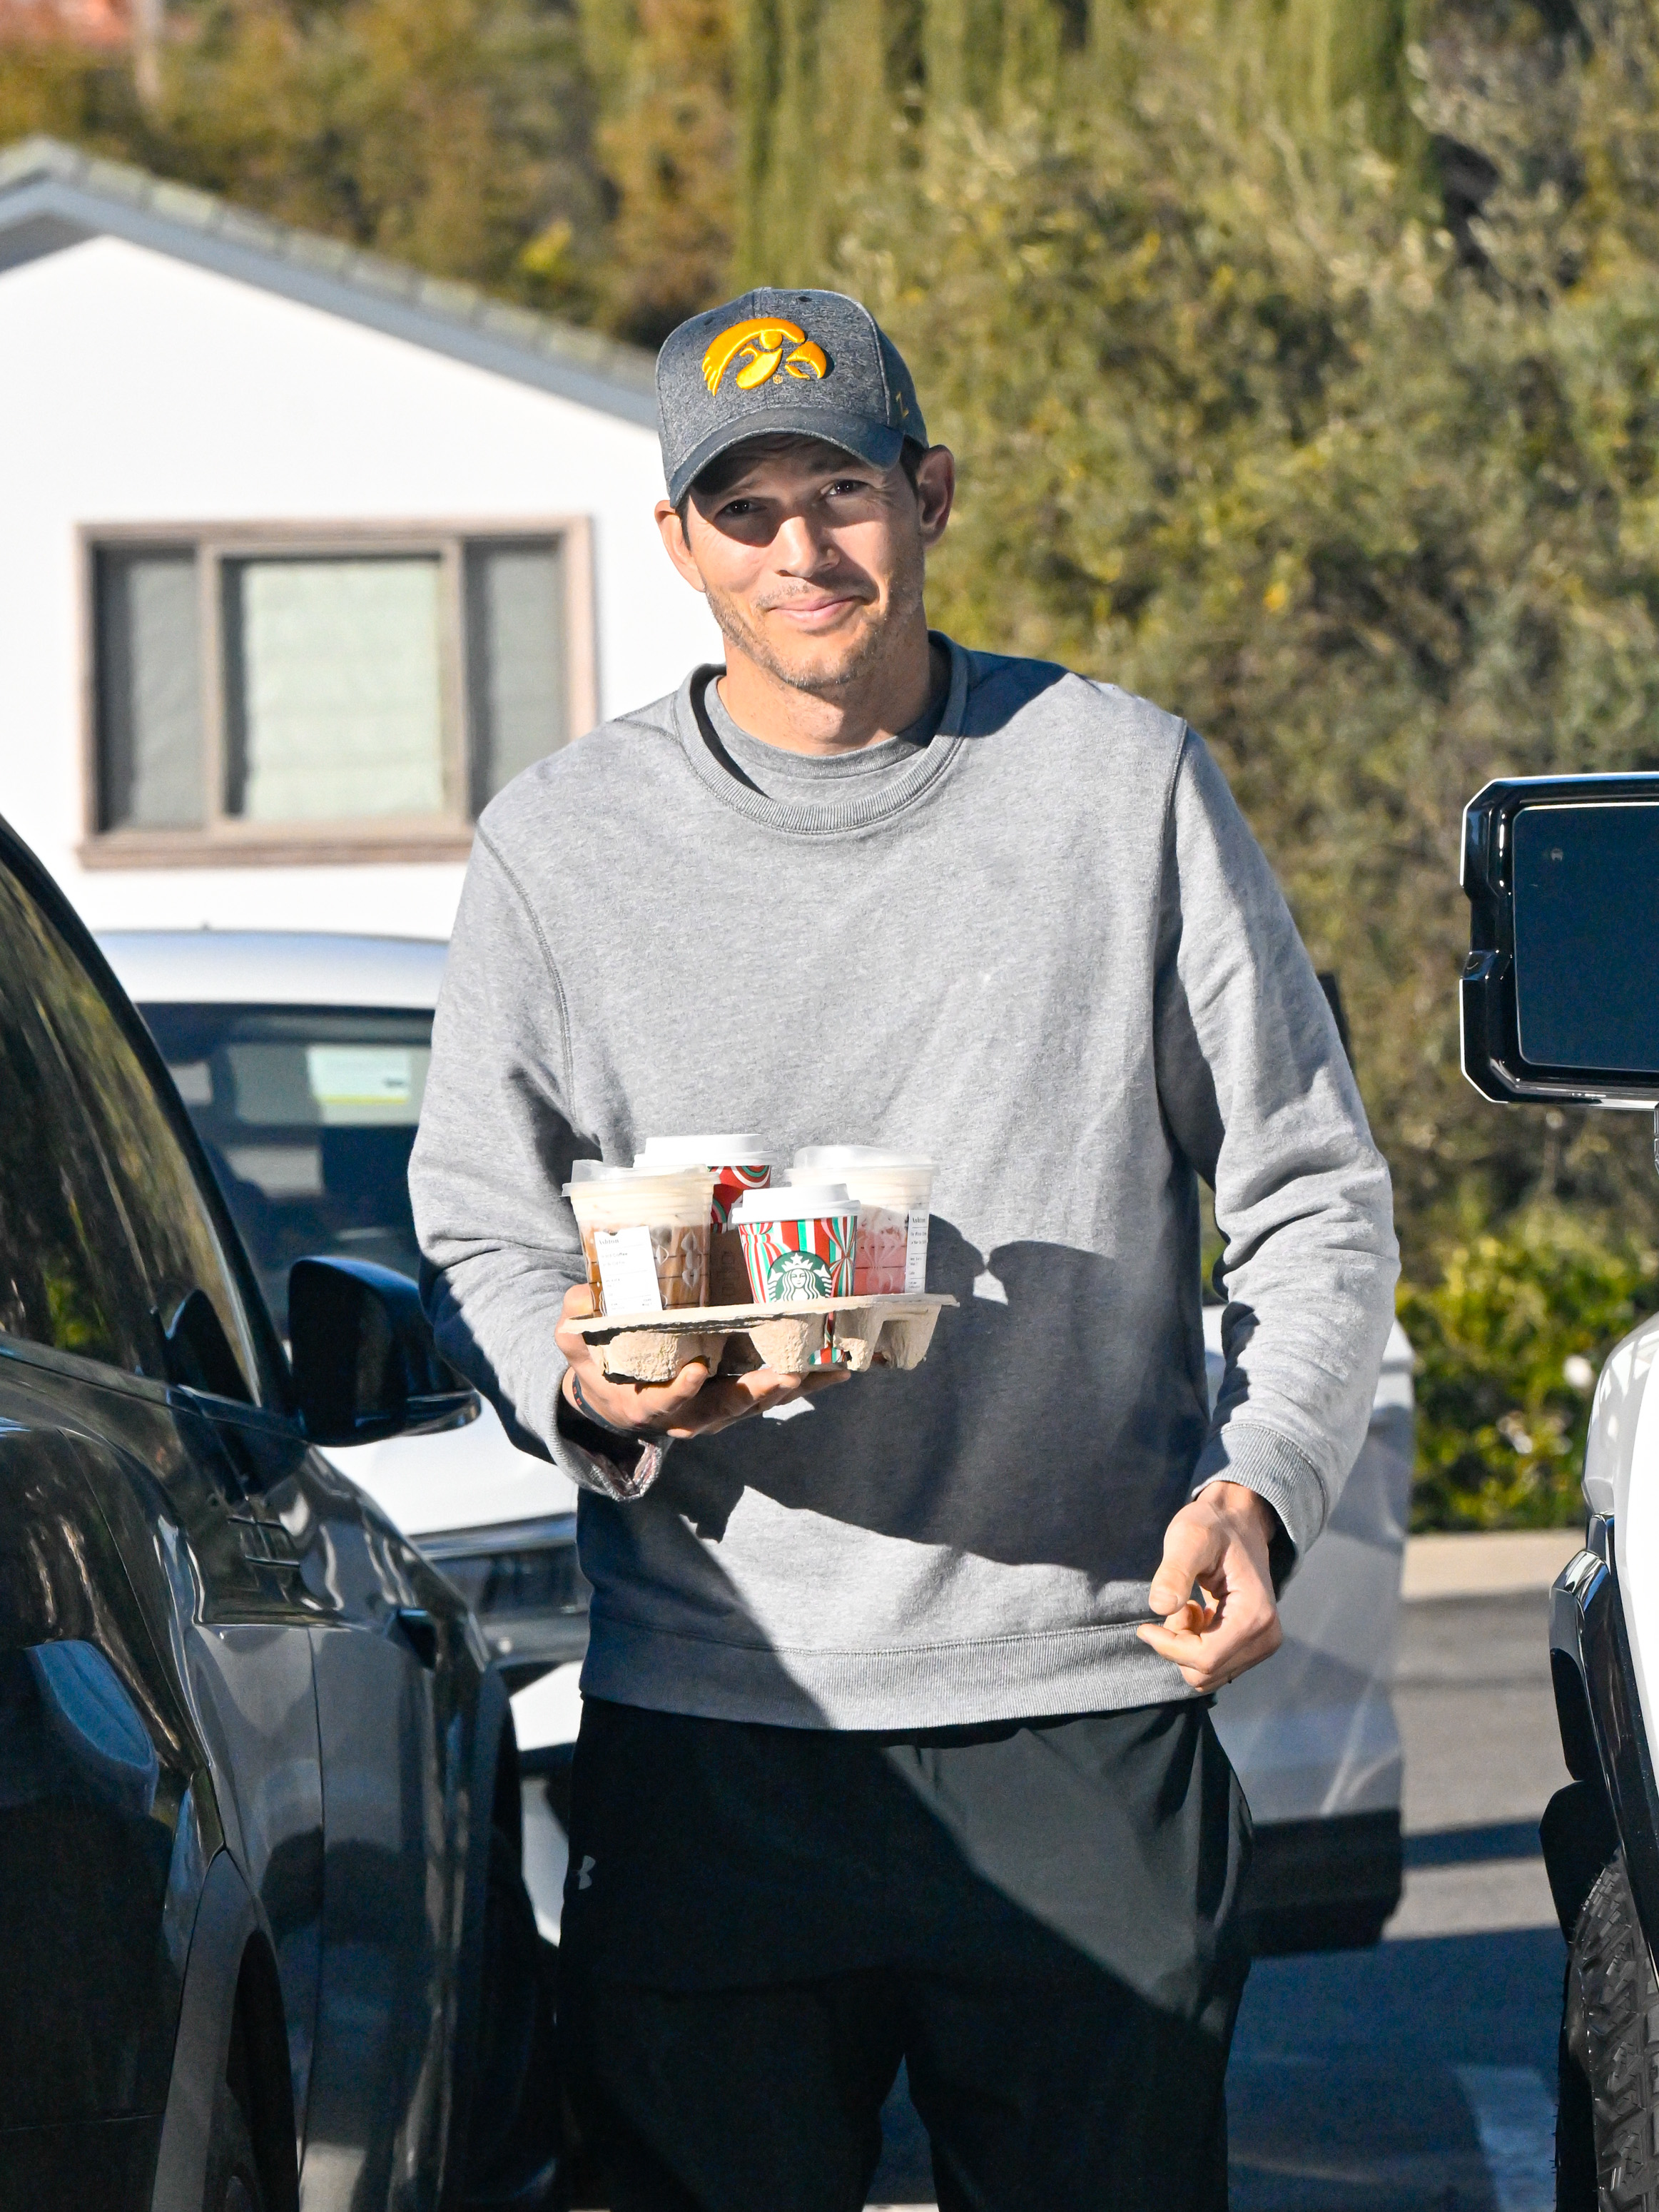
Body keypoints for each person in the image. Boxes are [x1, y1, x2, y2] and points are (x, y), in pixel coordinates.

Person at [410, 287, 1398, 2211]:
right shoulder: (563, 843)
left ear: (928, 495)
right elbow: (481, 1207)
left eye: (841, 489)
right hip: (719, 1715)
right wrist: (593, 1373)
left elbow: (1312, 1185)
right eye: (747, 508)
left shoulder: (1124, 787)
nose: (803, 549)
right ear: (680, 543)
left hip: (1088, 1709)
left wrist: (1262, 1489)